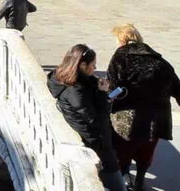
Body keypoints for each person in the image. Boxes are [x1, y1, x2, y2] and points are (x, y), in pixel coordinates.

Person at [106, 24, 180, 190]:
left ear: (122, 41)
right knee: (146, 151)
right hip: (157, 118)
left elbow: (112, 87)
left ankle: (125, 177)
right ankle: (139, 181)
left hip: (128, 118)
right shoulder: (162, 62)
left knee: (123, 151)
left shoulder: (121, 57)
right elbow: (178, 90)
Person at [49, 44, 126, 191]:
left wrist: (97, 87)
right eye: (93, 65)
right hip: (96, 144)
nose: (95, 68)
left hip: (94, 140)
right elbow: (97, 121)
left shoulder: (65, 80)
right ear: (83, 65)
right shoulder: (75, 92)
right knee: (117, 185)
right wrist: (103, 95)